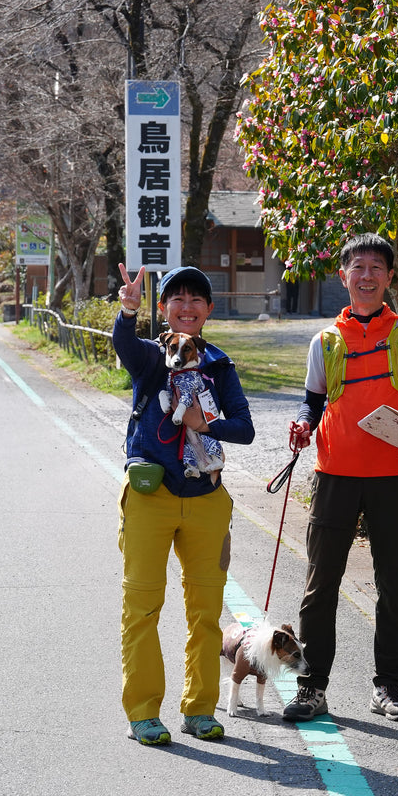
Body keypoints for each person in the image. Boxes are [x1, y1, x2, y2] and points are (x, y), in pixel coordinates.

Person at [283, 233, 398, 724]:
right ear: (343, 276)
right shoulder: (325, 340)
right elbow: (313, 399)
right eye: (358, 267)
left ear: (391, 278)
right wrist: (304, 425)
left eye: (377, 267)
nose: (367, 275)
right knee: (319, 584)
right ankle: (311, 688)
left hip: (392, 475)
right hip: (334, 474)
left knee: (393, 585)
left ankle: (388, 688)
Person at [113, 263, 255, 745]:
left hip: (206, 500)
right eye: (177, 299)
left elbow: (245, 428)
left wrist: (204, 423)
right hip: (150, 498)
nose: (187, 307)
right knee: (143, 606)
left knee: (205, 613)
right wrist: (127, 311)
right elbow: (124, 346)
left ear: (209, 311)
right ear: (163, 309)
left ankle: (199, 711)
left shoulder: (220, 365)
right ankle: (143, 713)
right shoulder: (153, 359)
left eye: (197, 300)